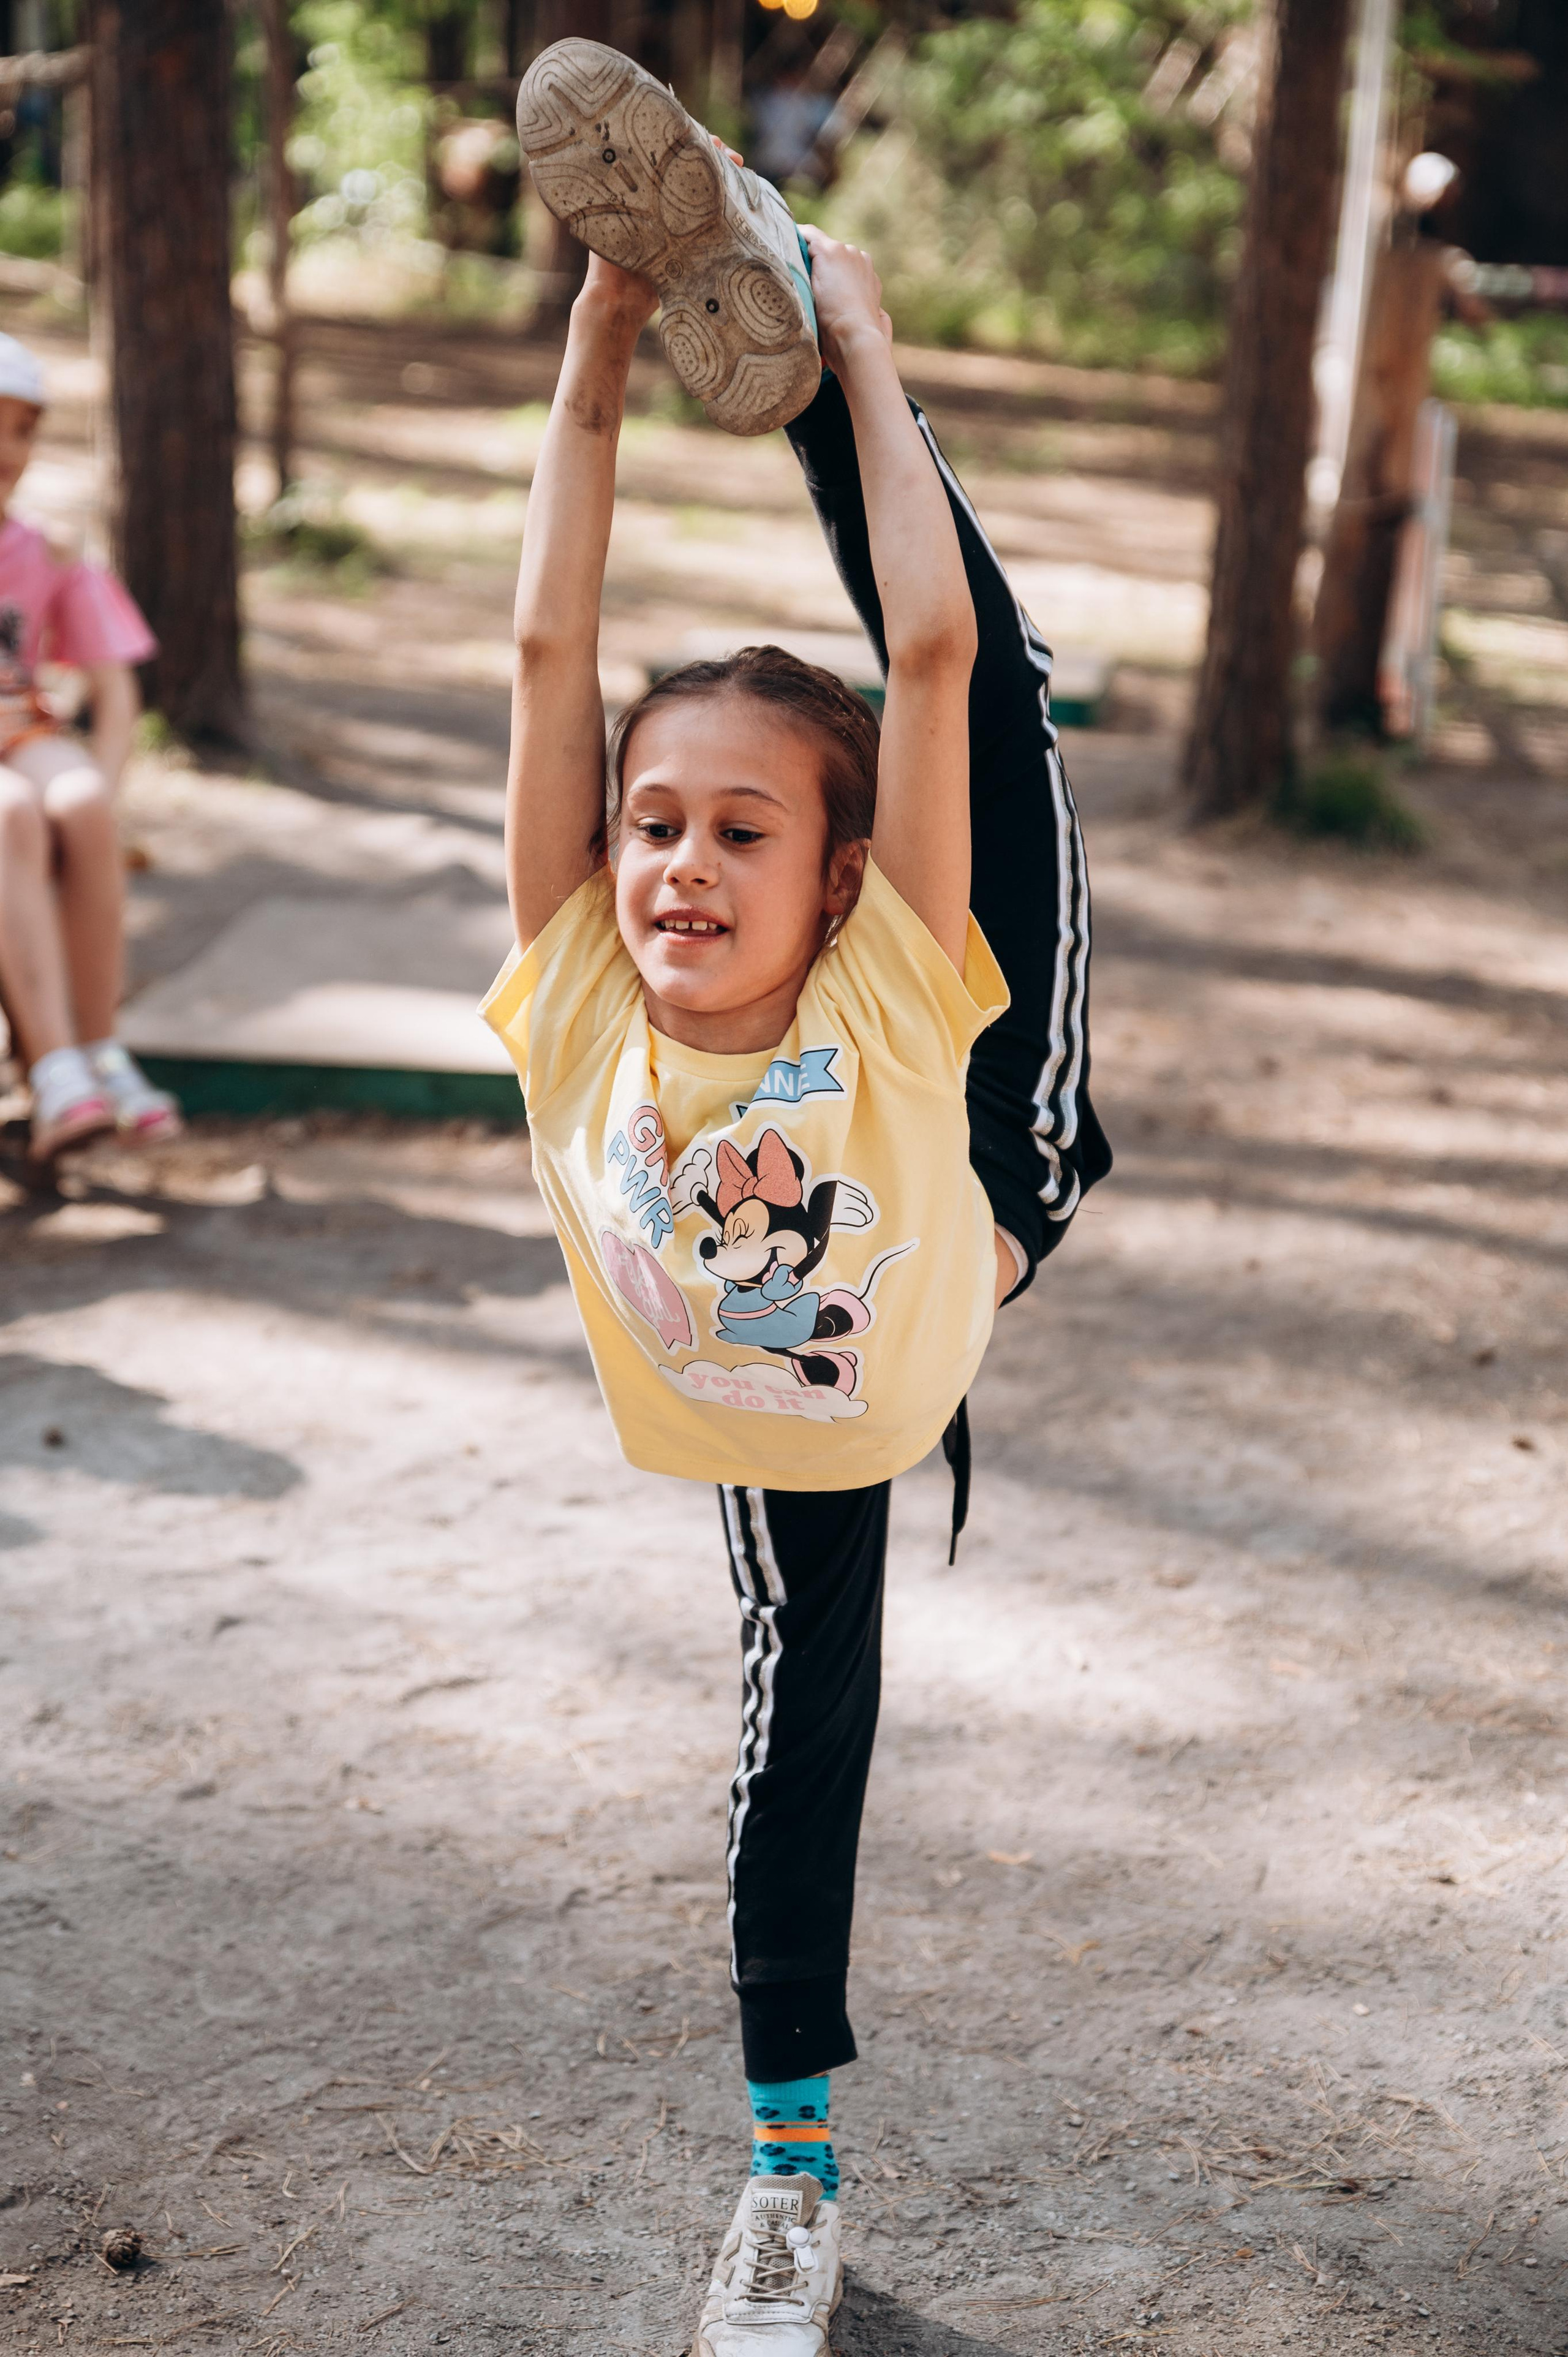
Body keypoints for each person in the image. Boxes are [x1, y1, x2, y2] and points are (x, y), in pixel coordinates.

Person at [491, 40, 1109, 2351]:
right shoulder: (581, 986)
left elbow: (922, 663)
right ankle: (789, 2169)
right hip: (801, 1421)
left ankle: (819, 291)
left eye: (736, 831)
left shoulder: (882, 963)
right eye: (652, 822)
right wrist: (608, 323)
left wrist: (849, 353)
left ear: (828, 875)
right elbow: (555, 655)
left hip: (981, 1163)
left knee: (1002, 688)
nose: (672, 860)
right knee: (799, 1728)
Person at [0, 332, 179, 1161]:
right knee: (13, 818)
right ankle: (54, 1066)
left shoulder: (46, 552)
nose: (9, 451)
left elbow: (115, 689)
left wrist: (105, 785)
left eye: (24, 430)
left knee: (77, 802)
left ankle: (101, 1054)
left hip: (23, 733)